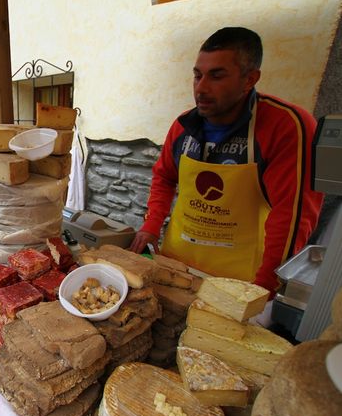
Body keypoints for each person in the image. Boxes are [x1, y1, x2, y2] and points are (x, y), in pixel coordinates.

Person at [129, 27, 323, 294]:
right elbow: (164, 176)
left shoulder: (287, 126)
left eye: (217, 76)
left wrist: (266, 286)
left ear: (249, 79)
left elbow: (292, 214)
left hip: (241, 281)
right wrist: (151, 226)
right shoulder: (183, 126)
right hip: (175, 266)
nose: (202, 88)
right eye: (197, 76)